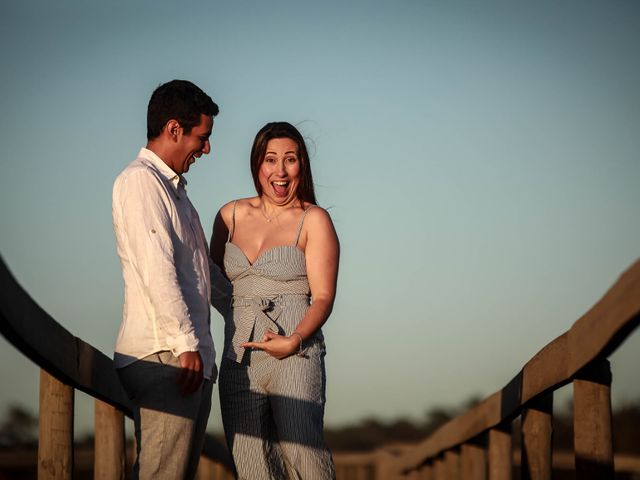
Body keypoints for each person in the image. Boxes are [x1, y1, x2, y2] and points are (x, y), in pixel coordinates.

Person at [210, 122, 339, 479]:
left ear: (302, 166)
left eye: (290, 160)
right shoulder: (228, 216)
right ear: (257, 164)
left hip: (295, 352)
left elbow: (324, 296)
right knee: (251, 464)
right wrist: (238, 314)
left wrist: (294, 340)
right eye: (270, 160)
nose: (280, 171)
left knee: (304, 457)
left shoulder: (314, 219)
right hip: (239, 356)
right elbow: (212, 281)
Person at [112, 79, 219, 480]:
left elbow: (203, 275)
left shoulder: (177, 195)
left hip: (183, 358)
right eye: (202, 137)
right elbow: (156, 267)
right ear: (174, 129)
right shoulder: (141, 182)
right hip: (165, 357)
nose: (206, 148)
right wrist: (186, 343)